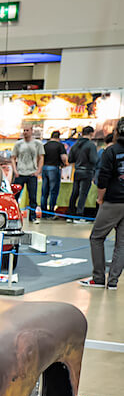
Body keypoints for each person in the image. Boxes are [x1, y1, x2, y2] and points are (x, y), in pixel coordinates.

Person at [82, 119, 124, 289]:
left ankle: (98, 278)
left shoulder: (111, 151)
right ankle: (113, 281)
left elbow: (103, 177)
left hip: (113, 200)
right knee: (122, 243)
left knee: (97, 237)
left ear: (117, 132)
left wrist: (100, 198)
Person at [12, 127, 45, 223]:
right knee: (15, 196)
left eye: (27, 130)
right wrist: (15, 171)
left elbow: (41, 157)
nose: (25, 132)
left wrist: (38, 171)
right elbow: (13, 157)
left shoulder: (37, 144)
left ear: (31, 131)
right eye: (24, 130)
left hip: (32, 174)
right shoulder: (18, 144)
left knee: (33, 197)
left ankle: (33, 216)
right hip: (20, 173)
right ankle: (14, 215)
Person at [67, 126, 98, 221]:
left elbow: (70, 159)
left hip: (77, 171)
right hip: (87, 171)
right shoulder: (91, 145)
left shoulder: (76, 144)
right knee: (83, 194)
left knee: (74, 193)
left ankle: (70, 214)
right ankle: (79, 215)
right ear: (91, 133)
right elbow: (93, 160)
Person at [40, 130, 67, 220]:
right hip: (54, 168)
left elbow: (40, 157)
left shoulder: (45, 145)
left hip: (44, 168)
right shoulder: (60, 145)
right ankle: (51, 212)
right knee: (53, 191)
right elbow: (64, 157)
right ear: (58, 137)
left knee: (44, 192)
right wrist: (65, 164)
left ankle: (43, 213)